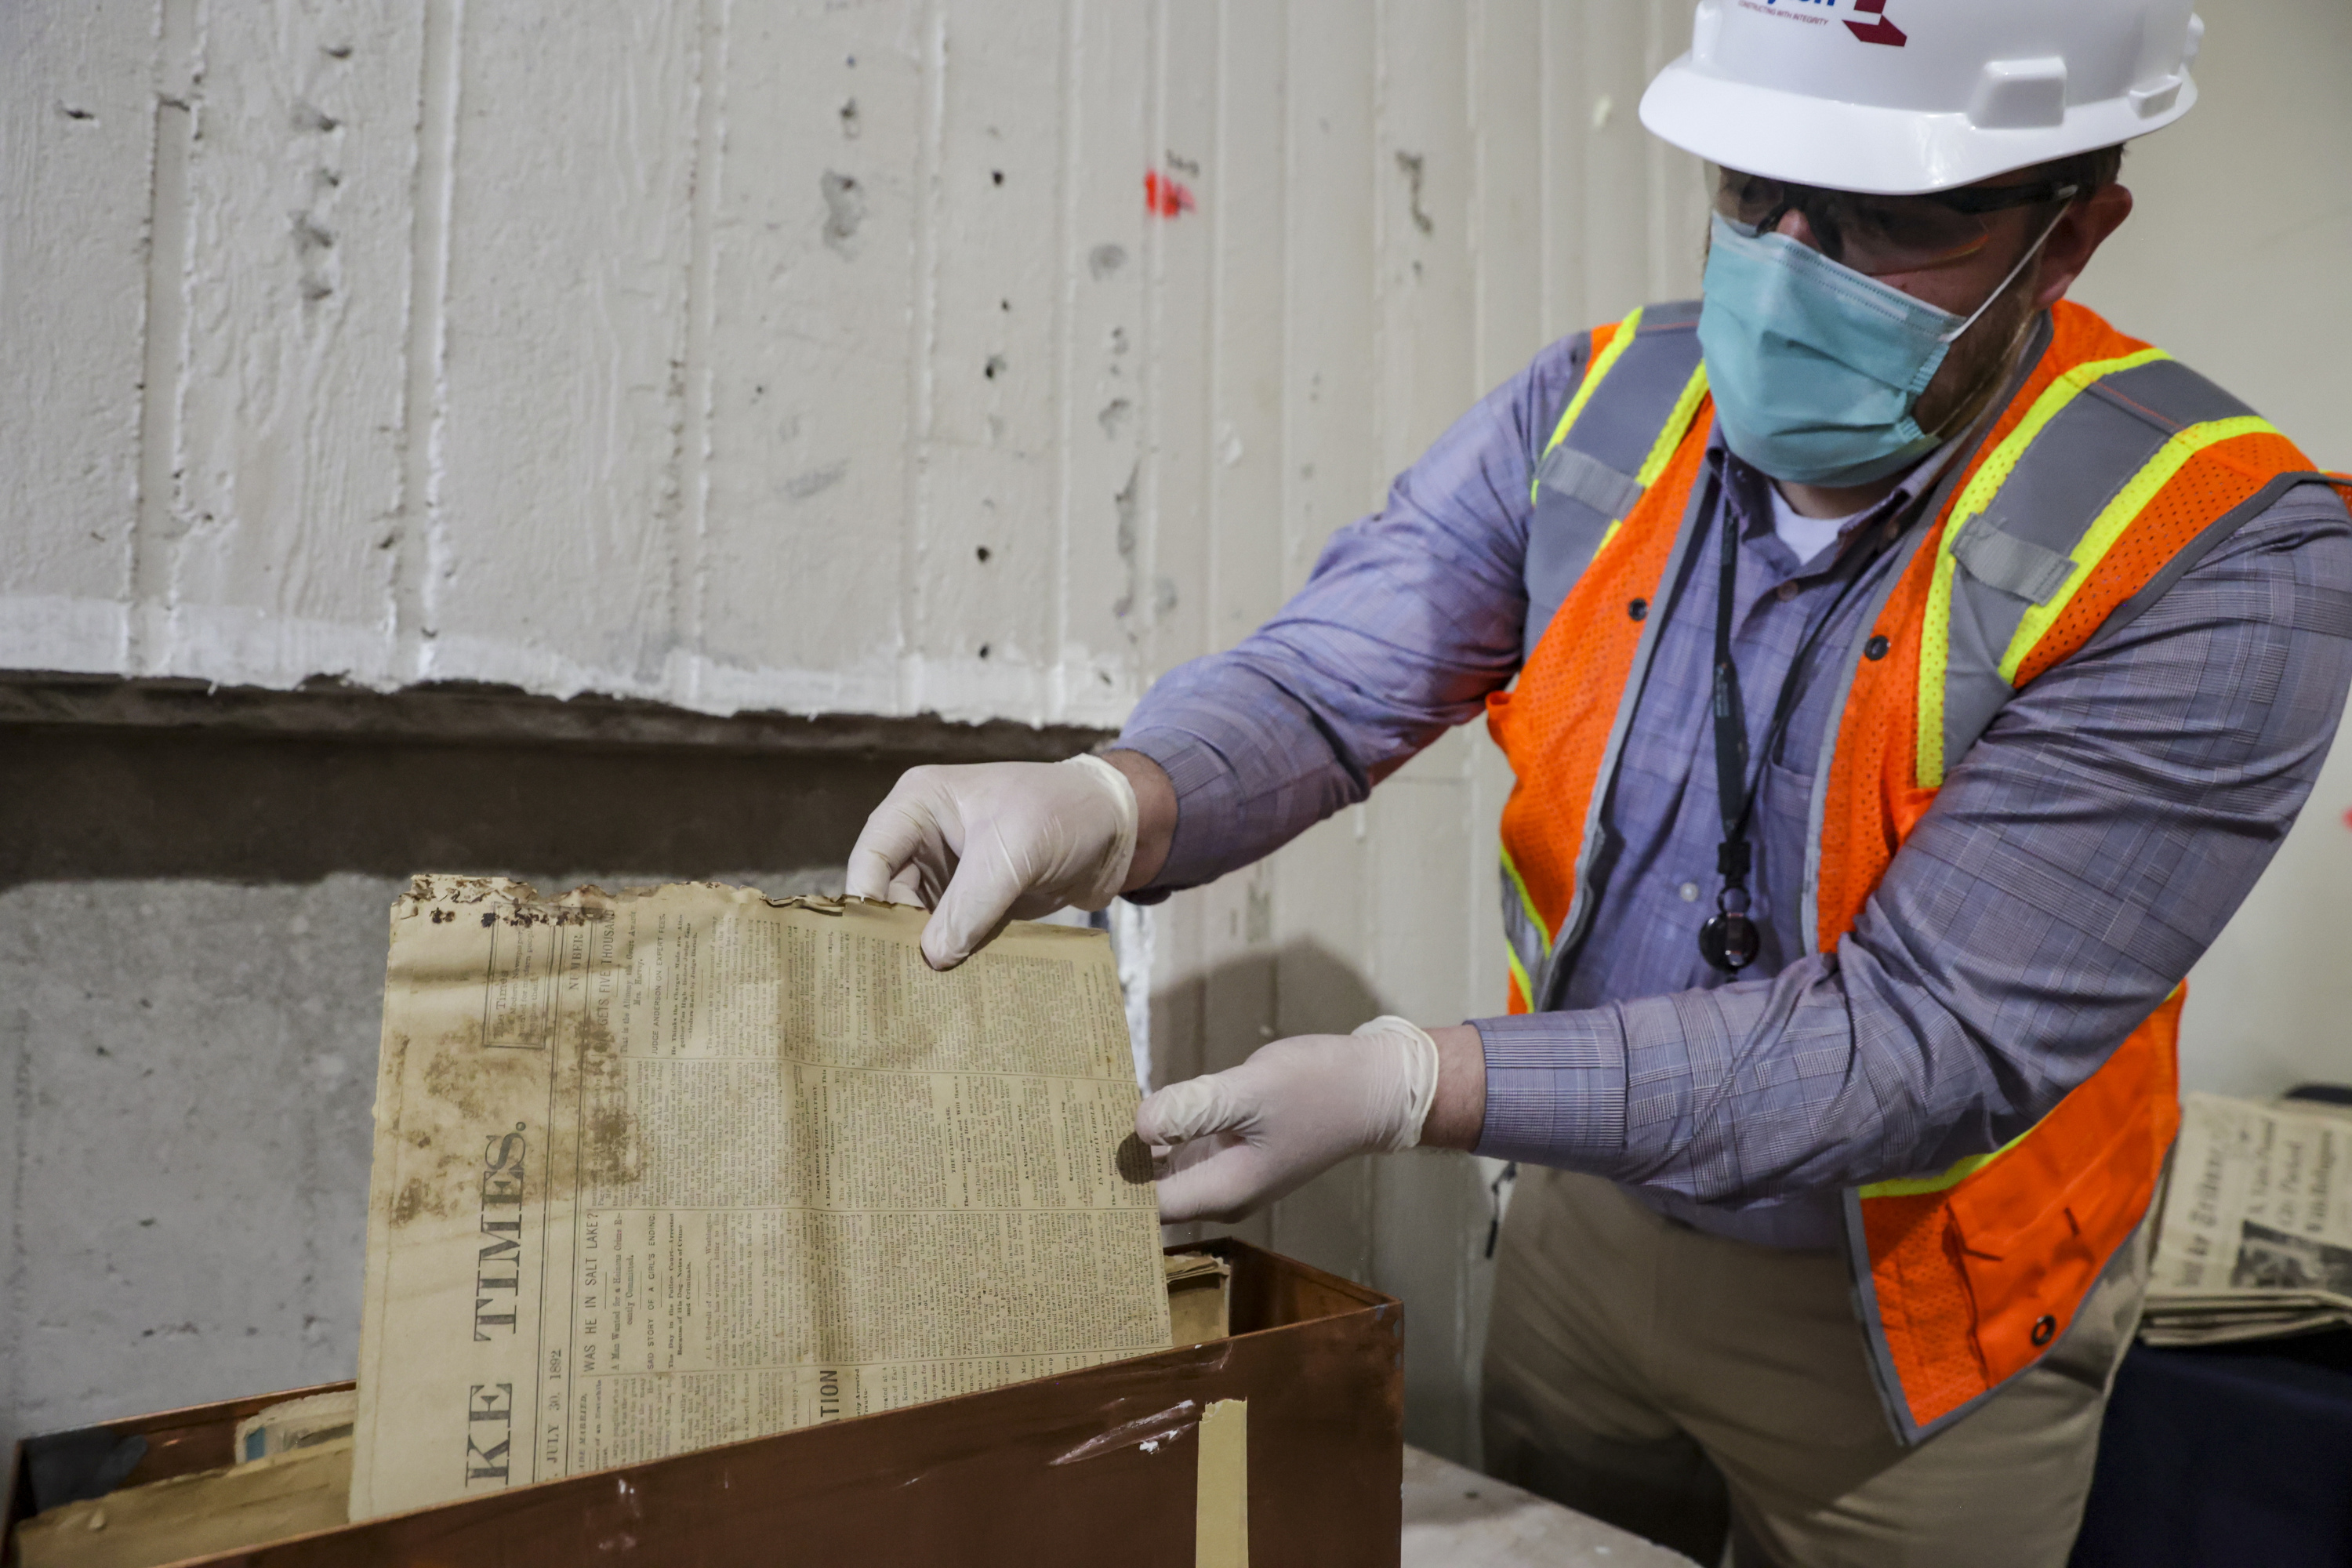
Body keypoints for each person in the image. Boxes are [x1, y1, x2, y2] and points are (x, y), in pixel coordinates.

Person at [848, 4, 2352, 1563]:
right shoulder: (1607, 404)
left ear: (2070, 233)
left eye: (1889, 219)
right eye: (1747, 186)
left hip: (1920, 1311)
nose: (1785, 260)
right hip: (1591, 1218)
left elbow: (1922, 1038)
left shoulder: (2216, 558)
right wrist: (1110, 795)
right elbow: (1331, 675)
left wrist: (1406, 1082)